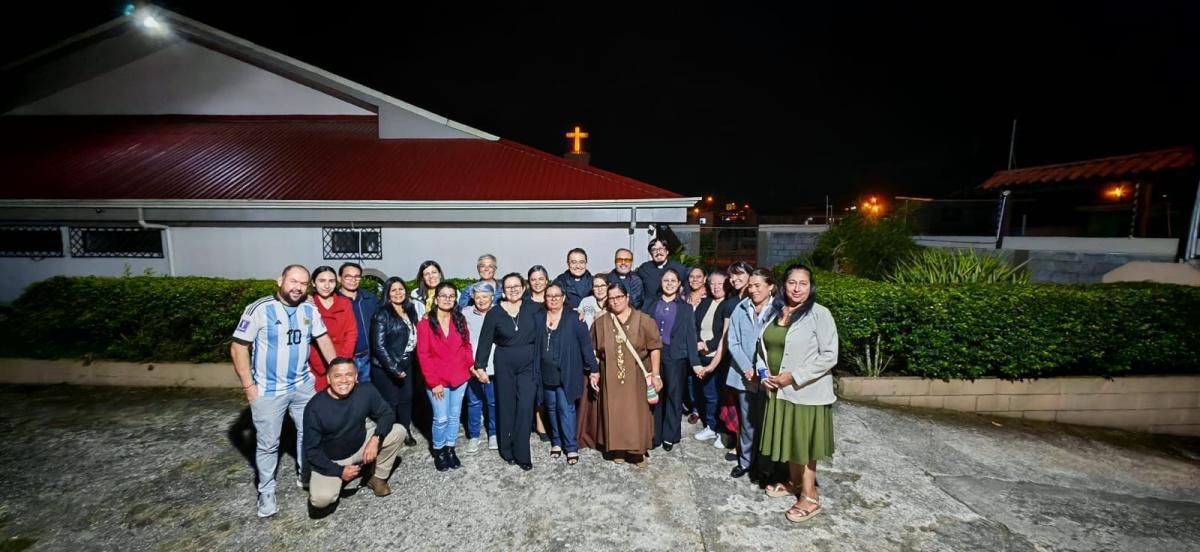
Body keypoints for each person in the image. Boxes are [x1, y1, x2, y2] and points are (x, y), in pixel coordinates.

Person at [231, 264, 337, 518]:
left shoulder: (309, 309)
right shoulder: (259, 309)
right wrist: (249, 386)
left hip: (302, 385)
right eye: (293, 281)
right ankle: (266, 490)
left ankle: (305, 474)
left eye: (303, 283)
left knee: (309, 432)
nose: (298, 287)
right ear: (280, 280)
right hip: (269, 390)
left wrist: (336, 372)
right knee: (268, 444)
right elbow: (238, 347)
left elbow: (323, 339)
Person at [757, 265, 838, 523]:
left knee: (805, 444)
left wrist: (793, 376)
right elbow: (762, 347)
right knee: (791, 440)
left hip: (806, 393)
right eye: (792, 282)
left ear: (811, 287)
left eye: (803, 283)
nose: (797, 288)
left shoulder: (819, 314)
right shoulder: (776, 311)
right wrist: (762, 373)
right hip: (779, 391)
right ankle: (794, 482)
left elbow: (829, 356)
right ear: (784, 285)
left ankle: (810, 496)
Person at [304, 358, 405, 518]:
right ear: (328, 379)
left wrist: (375, 439)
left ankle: (377, 478)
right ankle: (340, 478)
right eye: (338, 376)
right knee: (321, 500)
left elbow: (387, 414)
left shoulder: (366, 390)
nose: (344, 380)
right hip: (333, 459)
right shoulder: (315, 408)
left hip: (361, 444)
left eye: (349, 375)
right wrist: (339, 471)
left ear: (356, 377)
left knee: (398, 431)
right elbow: (311, 451)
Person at [588, 281, 663, 467]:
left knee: (637, 413)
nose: (615, 301)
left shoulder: (644, 320)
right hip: (610, 375)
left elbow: (655, 348)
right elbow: (594, 351)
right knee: (613, 412)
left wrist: (656, 374)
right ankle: (618, 449)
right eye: (611, 298)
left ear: (627, 297)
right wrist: (594, 373)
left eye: (619, 297)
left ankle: (637, 452)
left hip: (637, 376)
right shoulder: (601, 323)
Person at [475, 273, 541, 471]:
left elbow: (558, 312)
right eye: (508, 287)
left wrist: (579, 313)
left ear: (523, 287)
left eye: (516, 286)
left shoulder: (534, 308)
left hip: (529, 363)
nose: (513, 290)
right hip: (504, 362)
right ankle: (506, 449)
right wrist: (480, 366)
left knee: (526, 406)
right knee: (506, 405)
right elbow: (485, 340)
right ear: (502, 291)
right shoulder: (494, 313)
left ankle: (522, 452)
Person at [725, 268, 778, 480]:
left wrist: (762, 370)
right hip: (744, 375)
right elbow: (733, 341)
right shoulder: (741, 308)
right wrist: (748, 368)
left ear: (770, 286)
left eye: (758, 286)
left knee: (768, 422)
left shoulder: (779, 310)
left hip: (770, 376)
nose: (753, 290)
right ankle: (746, 461)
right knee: (747, 421)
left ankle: (766, 466)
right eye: (751, 286)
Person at [416, 282, 475, 472]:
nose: (447, 299)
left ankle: (450, 448)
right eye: (443, 295)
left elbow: (466, 345)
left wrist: (470, 366)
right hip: (437, 380)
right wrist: (433, 383)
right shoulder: (425, 323)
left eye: (451, 296)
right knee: (441, 417)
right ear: (436, 299)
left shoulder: (459, 319)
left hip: (460, 376)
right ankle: (439, 450)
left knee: (454, 416)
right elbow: (423, 355)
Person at [539, 283, 599, 465]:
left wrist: (594, 369)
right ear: (545, 298)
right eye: (549, 296)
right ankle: (556, 442)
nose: (553, 299)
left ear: (563, 298)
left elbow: (586, 345)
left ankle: (571, 446)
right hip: (545, 372)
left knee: (566, 408)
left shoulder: (574, 318)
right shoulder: (538, 317)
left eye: (557, 295)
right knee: (551, 407)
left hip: (568, 372)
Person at [643, 269, 702, 451]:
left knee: (673, 395)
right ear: (661, 283)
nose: (669, 284)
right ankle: (655, 434)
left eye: (673, 281)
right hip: (653, 353)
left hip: (676, 356)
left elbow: (691, 335)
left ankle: (670, 435)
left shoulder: (685, 308)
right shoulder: (650, 304)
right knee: (655, 394)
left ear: (679, 284)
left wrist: (695, 362)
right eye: (666, 280)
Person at [370, 277, 420, 447]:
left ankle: (405, 430)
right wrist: (394, 368)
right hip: (386, 367)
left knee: (406, 399)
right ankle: (390, 436)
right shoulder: (381, 314)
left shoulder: (410, 310)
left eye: (401, 289)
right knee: (390, 402)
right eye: (393, 290)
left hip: (407, 362)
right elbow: (378, 346)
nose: (398, 293)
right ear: (387, 294)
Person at [692, 271, 732, 448]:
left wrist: (706, 344)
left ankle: (714, 426)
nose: (716, 287)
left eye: (720, 284)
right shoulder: (705, 302)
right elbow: (694, 324)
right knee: (703, 392)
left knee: (713, 394)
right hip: (700, 354)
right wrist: (697, 342)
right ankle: (710, 424)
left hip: (716, 356)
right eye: (712, 283)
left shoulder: (728, 305)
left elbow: (725, 335)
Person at [308, 266, 358, 393]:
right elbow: (307, 340)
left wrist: (344, 361)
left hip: (344, 359)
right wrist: (319, 366)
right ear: (313, 283)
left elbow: (351, 332)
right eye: (322, 281)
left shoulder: (344, 302)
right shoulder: (308, 304)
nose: (327, 286)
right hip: (318, 364)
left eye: (331, 281)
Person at [462, 283, 499, 453]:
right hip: (473, 367)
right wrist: (471, 366)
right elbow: (463, 342)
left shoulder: (499, 312)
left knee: (493, 402)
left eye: (485, 296)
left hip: (494, 367)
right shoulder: (465, 313)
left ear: (492, 297)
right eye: (477, 297)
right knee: (474, 402)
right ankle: (474, 435)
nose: (481, 300)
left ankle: (493, 433)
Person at [338, 262, 378, 383]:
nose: (353, 280)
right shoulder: (333, 300)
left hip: (367, 357)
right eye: (348, 277)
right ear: (339, 278)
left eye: (357, 276)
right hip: (344, 358)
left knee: (365, 390)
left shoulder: (369, 298)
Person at [683, 266, 708, 424]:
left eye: (698, 276)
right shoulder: (683, 296)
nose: (695, 279)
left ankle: (704, 409)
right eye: (691, 276)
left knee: (702, 379)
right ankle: (694, 408)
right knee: (689, 379)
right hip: (685, 343)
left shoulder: (709, 296)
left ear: (705, 278)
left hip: (703, 344)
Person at [636, 237, 688, 304]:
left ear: (667, 251)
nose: (658, 252)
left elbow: (688, 288)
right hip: (650, 307)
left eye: (661, 249)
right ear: (651, 253)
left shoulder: (679, 268)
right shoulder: (644, 268)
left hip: (674, 306)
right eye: (654, 250)